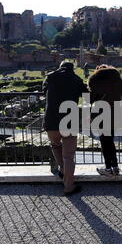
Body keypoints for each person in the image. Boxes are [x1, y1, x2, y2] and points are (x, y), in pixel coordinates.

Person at [42, 61, 88, 196]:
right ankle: (69, 186)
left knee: (55, 146)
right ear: (72, 69)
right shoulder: (76, 79)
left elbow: (44, 91)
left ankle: (62, 170)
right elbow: (87, 95)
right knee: (68, 156)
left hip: (51, 120)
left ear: (60, 67)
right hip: (69, 121)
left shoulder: (50, 76)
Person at [88, 65, 122, 176]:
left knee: (105, 142)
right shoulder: (116, 79)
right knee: (110, 141)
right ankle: (115, 167)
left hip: (101, 115)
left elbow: (89, 99)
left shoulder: (95, 80)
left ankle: (108, 168)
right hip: (115, 114)